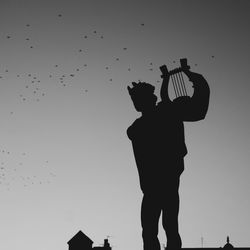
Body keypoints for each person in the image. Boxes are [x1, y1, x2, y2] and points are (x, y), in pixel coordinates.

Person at [127, 63, 210, 250]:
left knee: (165, 228)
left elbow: (196, 111)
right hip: (155, 188)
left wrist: (190, 77)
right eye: (134, 100)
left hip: (164, 185)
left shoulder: (151, 121)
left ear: (150, 99)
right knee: (155, 230)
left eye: (138, 99)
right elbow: (182, 108)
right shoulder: (141, 126)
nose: (135, 103)